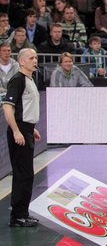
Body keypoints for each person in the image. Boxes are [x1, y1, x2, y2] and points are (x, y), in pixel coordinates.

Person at [2, 48, 41, 227]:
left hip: (26, 129)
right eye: (31, 58)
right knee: (22, 174)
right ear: (22, 62)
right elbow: (7, 107)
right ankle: (17, 216)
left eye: (36, 57)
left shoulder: (29, 79)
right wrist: (17, 130)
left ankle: (22, 213)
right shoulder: (17, 80)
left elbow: (22, 107)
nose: (35, 60)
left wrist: (31, 128)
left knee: (27, 174)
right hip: (19, 133)